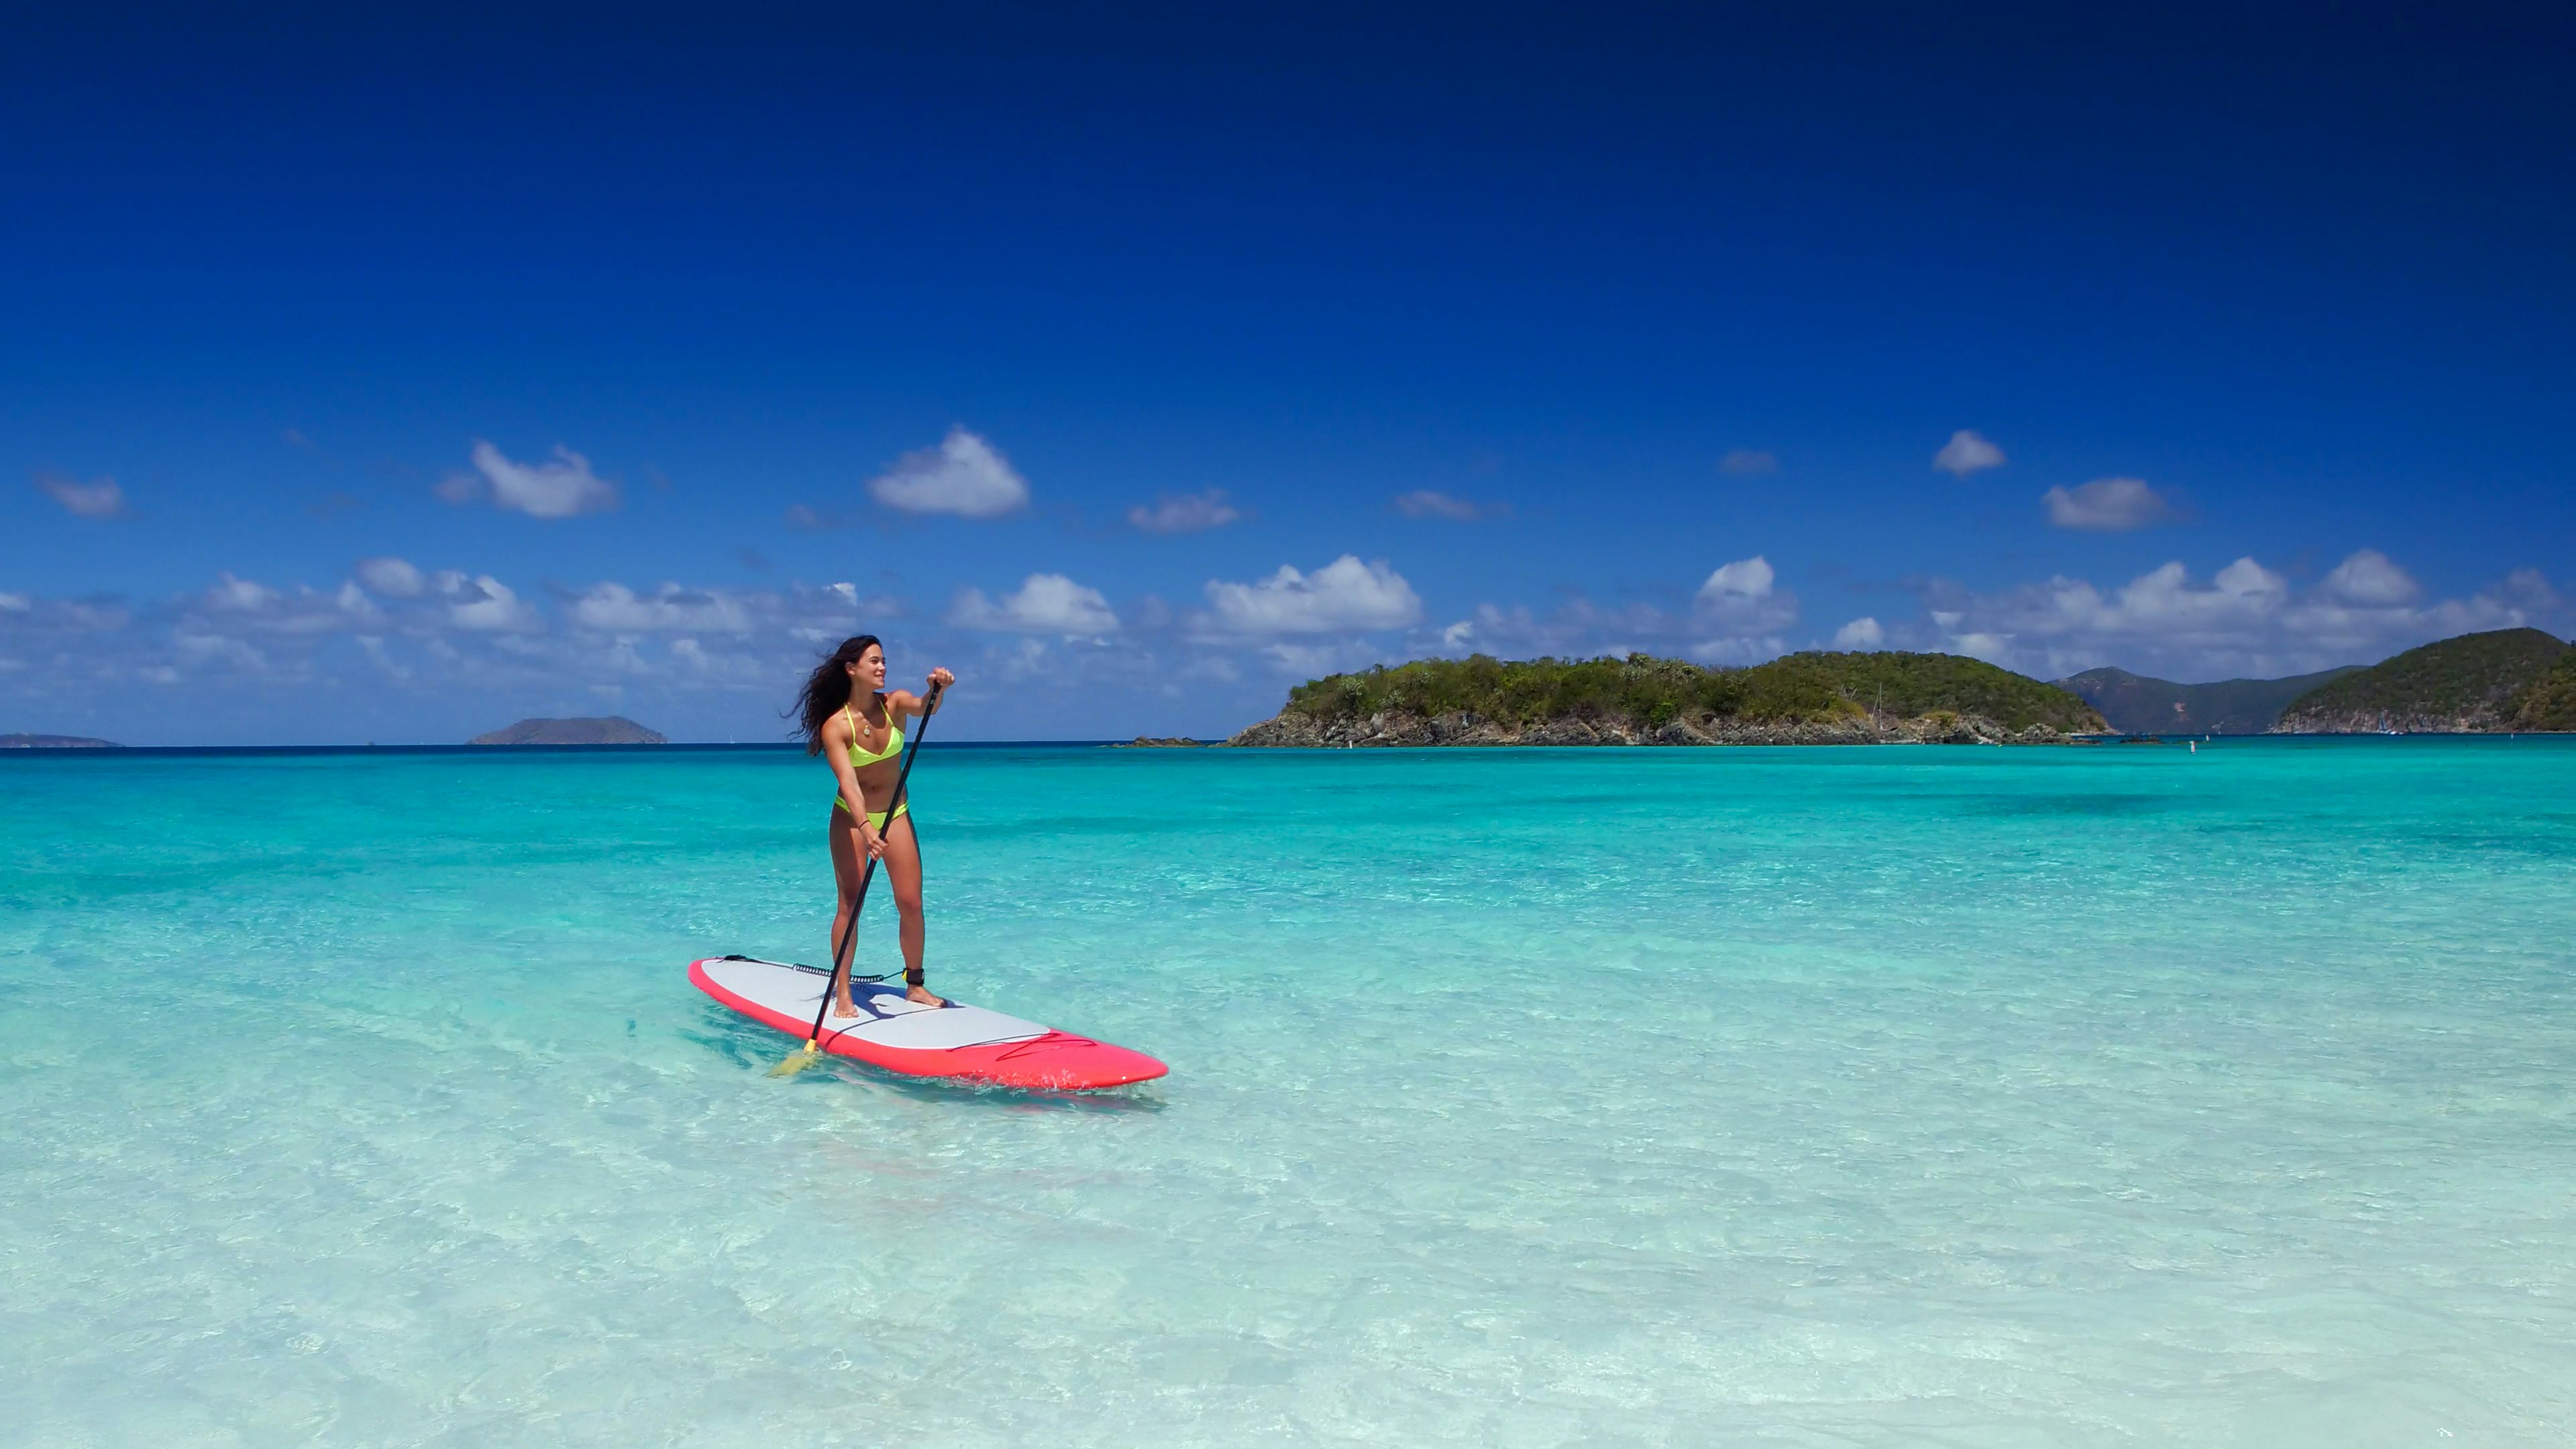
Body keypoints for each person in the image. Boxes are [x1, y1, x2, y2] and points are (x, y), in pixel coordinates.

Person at [792, 635, 954, 1014]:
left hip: (895, 813)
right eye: (874, 662)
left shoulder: (894, 703)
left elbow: (924, 708)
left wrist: (937, 689)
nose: (882, 667)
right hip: (852, 819)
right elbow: (849, 784)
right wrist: (866, 829)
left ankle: (915, 985)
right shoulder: (837, 726)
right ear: (852, 670)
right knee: (851, 903)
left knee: (911, 902)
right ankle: (844, 992)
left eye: (884, 661)